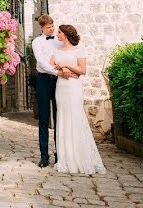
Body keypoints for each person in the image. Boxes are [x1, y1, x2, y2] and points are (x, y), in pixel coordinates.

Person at [49, 24, 106, 174]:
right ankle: (66, 159)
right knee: (63, 119)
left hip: (74, 87)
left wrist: (67, 65)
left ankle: (80, 157)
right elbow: (51, 66)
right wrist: (63, 70)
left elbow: (82, 70)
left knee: (75, 117)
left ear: (66, 34)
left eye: (59, 32)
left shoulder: (79, 50)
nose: (57, 34)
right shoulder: (56, 50)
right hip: (61, 87)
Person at [31, 14, 71, 167]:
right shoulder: (36, 42)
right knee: (44, 118)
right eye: (48, 27)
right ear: (42, 28)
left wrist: (62, 70)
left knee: (59, 116)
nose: (52, 29)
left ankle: (60, 155)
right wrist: (57, 71)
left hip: (58, 81)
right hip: (43, 80)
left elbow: (64, 56)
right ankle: (44, 156)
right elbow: (41, 62)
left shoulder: (58, 41)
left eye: (52, 26)